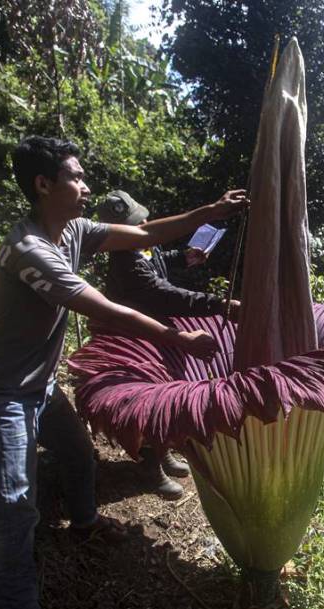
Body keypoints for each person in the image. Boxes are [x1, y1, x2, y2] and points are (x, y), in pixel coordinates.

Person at [0, 135, 247, 609]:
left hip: (37, 386)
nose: (87, 186)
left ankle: (86, 524)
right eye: (77, 177)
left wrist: (212, 211)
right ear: (45, 185)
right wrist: (176, 338)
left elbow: (143, 233)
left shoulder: (73, 230)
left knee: (78, 455)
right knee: (15, 507)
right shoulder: (30, 251)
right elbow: (99, 304)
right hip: (0, 393)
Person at [97, 189, 240, 499]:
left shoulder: (142, 246)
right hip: (137, 336)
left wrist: (185, 258)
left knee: (166, 392)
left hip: (156, 329)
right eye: (137, 223)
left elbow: (158, 260)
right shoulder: (125, 259)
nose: (145, 223)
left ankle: (161, 452)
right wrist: (218, 304)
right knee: (149, 400)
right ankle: (149, 467)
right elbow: (161, 293)